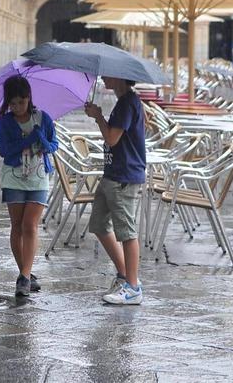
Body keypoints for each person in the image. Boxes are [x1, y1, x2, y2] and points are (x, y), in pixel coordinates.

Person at [84, 77, 146, 305]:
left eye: (108, 73)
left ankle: (133, 287)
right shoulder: (123, 102)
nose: (103, 77)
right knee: (99, 225)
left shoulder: (128, 102)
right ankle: (124, 275)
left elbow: (111, 137)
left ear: (120, 77)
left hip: (124, 176)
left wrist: (98, 117)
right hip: (112, 174)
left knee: (127, 231)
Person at [0, 76, 58, 296]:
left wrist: (42, 139)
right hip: (13, 177)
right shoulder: (5, 121)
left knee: (30, 225)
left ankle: (24, 276)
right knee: (17, 226)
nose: (17, 108)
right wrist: (27, 139)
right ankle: (25, 273)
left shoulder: (43, 118)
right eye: (12, 104)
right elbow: (4, 150)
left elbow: (54, 145)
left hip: (39, 177)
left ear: (28, 98)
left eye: (21, 102)